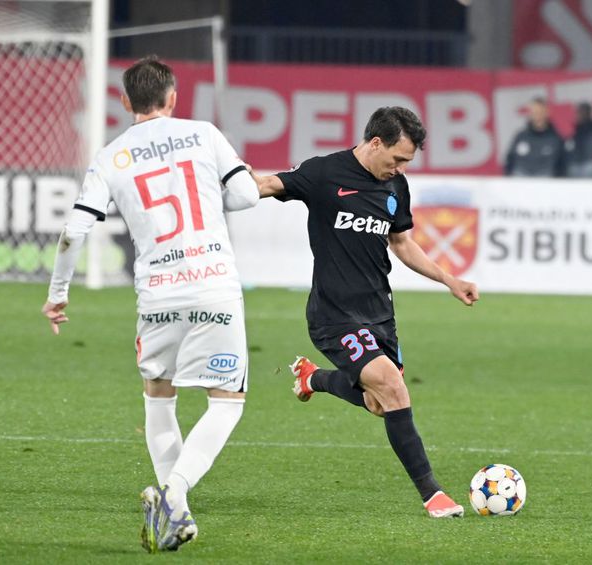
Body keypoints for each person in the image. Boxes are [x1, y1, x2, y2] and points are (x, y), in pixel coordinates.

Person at [40, 56, 260, 553]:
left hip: (158, 295)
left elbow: (74, 231)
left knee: (158, 396)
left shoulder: (112, 156)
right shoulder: (204, 133)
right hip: (213, 286)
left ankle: (176, 512)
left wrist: (57, 294)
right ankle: (175, 492)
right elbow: (246, 196)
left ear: (125, 102)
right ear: (173, 98)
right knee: (227, 402)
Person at [251, 106, 479, 518]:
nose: (402, 167)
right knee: (393, 389)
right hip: (333, 316)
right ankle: (433, 495)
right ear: (375, 143)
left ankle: (312, 378)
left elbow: (403, 244)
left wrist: (449, 279)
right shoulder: (324, 173)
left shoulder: (396, 187)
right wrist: (234, 181)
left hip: (380, 315)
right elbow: (270, 183)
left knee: (379, 403)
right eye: (398, 158)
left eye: (407, 161)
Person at [504, 97, 566, 177]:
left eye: (540, 112)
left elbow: (562, 167)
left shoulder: (555, 139)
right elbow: (509, 161)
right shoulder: (521, 137)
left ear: (547, 113)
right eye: (535, 113)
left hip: (546, 184)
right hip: (521, 184)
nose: (538, 116)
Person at [565, 102, 592, 178]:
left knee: (591, 168)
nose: (581, 115)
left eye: (584, 111)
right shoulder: (574, 136)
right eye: (579, 112)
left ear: (590, 113)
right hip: (576, 168)